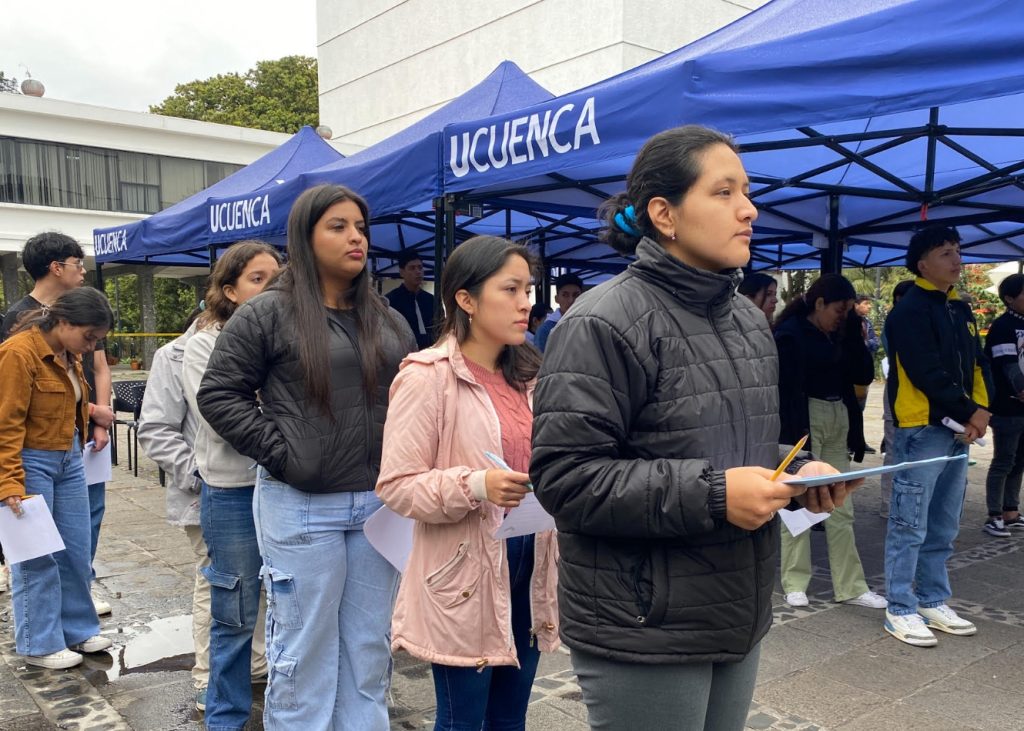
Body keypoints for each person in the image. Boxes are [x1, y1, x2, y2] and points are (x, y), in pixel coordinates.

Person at [529, 125, 858, 730]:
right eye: (724, 192)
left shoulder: (747, 322)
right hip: (645, 620)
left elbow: (731, 447)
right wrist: (715, 493)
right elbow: (565, 479)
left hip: (737, 606)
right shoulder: (602, 321)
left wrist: (794, 470)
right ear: (665, 214)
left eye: (747, 191)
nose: (749, 209)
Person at [196, 184, 414, 730]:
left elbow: (412, 396)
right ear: (305, 235)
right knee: (303, 653)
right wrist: (286, 455)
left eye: (361, 227)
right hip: (301, 506)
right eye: (337, 226)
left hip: (376, 506)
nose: (355, 237)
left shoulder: (385, 317)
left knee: (368, 650)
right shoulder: (267, 313)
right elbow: (219, 394)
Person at [377, 236, 560, 731]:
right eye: (511, 289)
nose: (526, 303)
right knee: (463, 721)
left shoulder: (531, 376)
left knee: (510, 718)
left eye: (529, 289)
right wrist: (475, 484)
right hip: (464, 573)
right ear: (466, 298)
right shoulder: (426, 377)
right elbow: (397, 485)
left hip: (531, 560)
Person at [181, 242, 281, 728]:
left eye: (275, 277)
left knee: (289, 607)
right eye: (257, 279)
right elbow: (226, 414)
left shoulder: (286, 331)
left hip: (285, 486)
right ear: (229, 290)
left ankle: (287, 709)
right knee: (235, 610)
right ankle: (225, 716)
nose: (270, 287)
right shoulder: (204, 342)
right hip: (233, 489)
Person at [883, 224, 991, 647]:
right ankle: (900, 606)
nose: (957, 260)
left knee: (944, 522)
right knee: (909, 522)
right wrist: (970, 411)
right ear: (922, 263)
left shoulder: (960, 310)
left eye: (958, 251)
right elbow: (927, 372)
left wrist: (980, 413)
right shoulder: (908, 310)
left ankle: (931, 598)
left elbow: (976, 366)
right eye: (946, 253)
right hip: (921, 429)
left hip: (959, 431)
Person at [0, 287, 114, 669]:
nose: (90, 345)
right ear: (64, 322)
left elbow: (76, 401)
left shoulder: (68, 354)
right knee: (38, 555)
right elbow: (6, 423)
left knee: (76, 549)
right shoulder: (18, 353)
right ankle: (39, 642)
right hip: (32, 461)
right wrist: (9, 482)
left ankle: (78, 630)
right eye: (89, 336)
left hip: (69, 457)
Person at [773, 275, 886, 610]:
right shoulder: (790, 335)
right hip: (805, 418)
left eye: (848, 310)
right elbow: (785, 391)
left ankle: (850, 585)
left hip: (837, 415)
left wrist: (852, 331)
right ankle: (794, 581)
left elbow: (862, 374)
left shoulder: (841, 334)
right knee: (798, 501)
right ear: (819, 303)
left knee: (841, 503)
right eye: (840, 309)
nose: (843, 315)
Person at [981, 273, 1024, 537]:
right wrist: (1021, 389)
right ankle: (993, 515)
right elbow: (1007, 364)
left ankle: (1012, 511)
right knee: (1003, 460)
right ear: (1009, 298)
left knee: (1020, 461)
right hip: (1007, 406)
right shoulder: (1003, 326)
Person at [879, 279, 916, 518]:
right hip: (897, 389)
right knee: (894, 449)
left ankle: (908, 504)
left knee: (915, 451)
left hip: (917, 394)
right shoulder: (894, 323)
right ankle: (889, 504)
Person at [387, 248, 436, 350]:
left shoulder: (431, 300)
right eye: (412, 268)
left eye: (420, 267)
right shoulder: (391, 300)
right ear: (402, 272)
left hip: (432, 352)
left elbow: (440, 328)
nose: (418, 272)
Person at [534, 273, 582, 352]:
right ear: (557, 299)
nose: (571, 300)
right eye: (565, 295)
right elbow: (539, 361)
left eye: (576, 295)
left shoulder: (587, 324)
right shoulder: (546, 330)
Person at [852, 295, 880, 424]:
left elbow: (875, 343)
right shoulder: (848, 321)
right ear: (856, 305)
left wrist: (864, 343)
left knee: (860, 408)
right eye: (866, 303)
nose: (869, 306)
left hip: (864, 371)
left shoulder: (867, 322)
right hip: (853, 372)